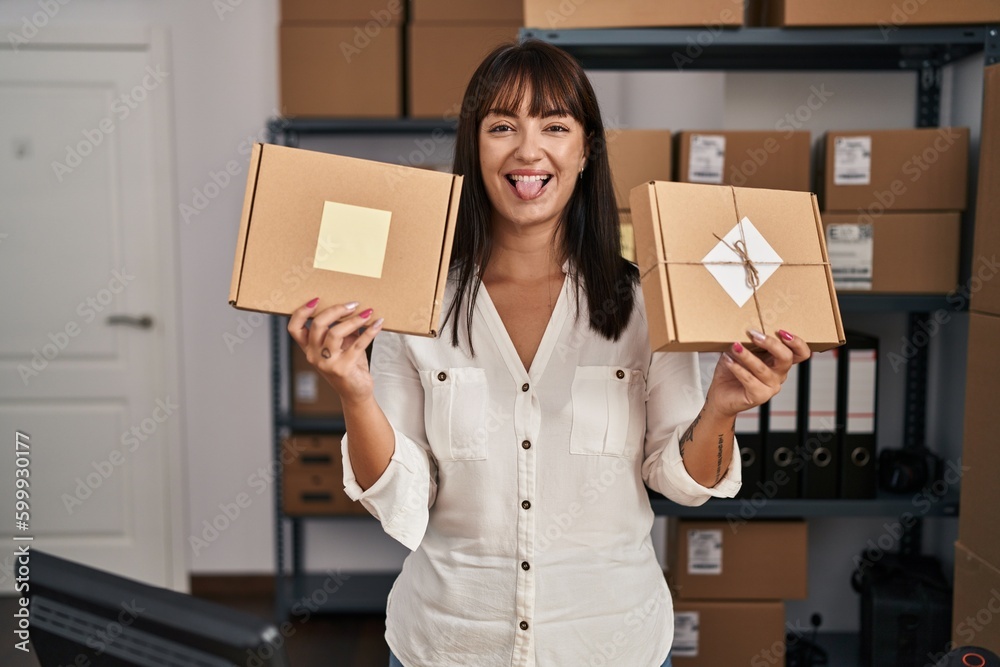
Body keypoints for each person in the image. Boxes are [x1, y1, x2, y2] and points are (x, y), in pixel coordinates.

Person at [286, 39, 811, 667]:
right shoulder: (417, 304)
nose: (527, 150)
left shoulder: (646, 302)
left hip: (610, 644)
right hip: (450, 645)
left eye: (554, 126)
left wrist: (722, 407)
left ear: (584, 149)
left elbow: (683, 480)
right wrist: (354, 390)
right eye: (502, 126)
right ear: (475, 147)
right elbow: (398, 490)